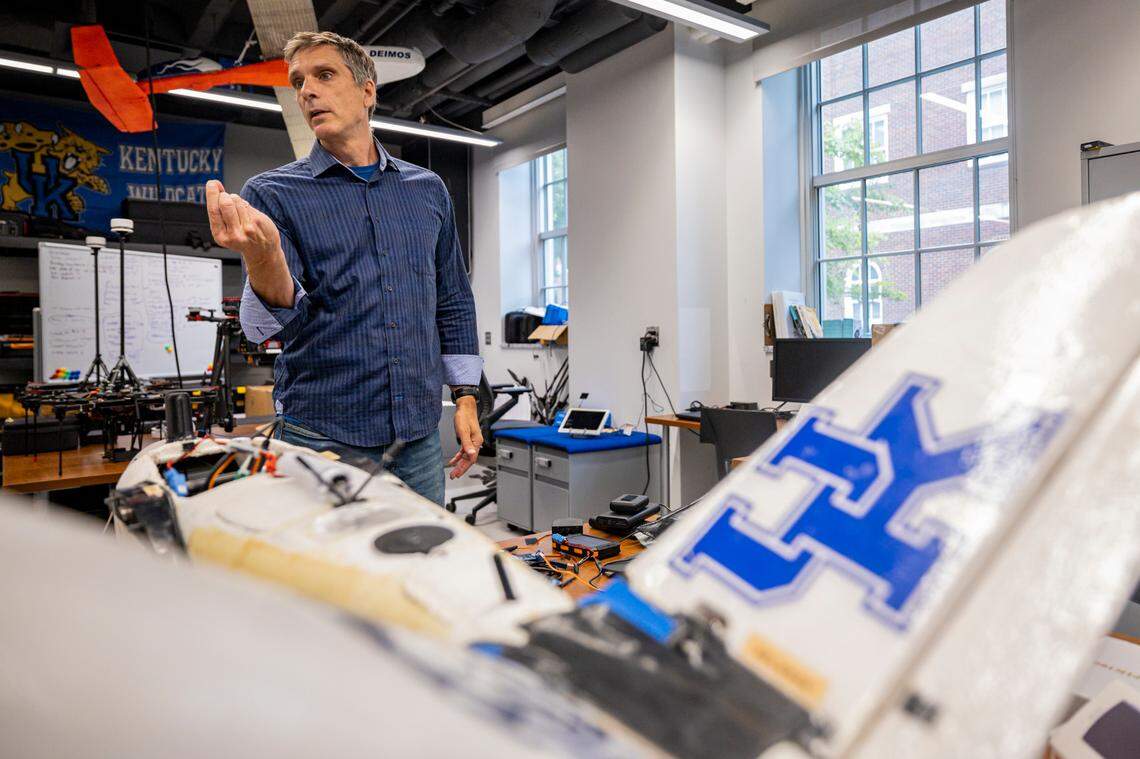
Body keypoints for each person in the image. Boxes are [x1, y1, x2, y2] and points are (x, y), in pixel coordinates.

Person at [204, 30, 482, 506]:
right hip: (322, 437)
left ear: (368, 90)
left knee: (418, 569)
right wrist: (264, 256)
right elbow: (259, 328)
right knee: (324, 579)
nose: (307, 91)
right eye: (298, 81)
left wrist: (465, 396)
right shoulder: (272, 194)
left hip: (416, 436)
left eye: (324, 75)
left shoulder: (428, 189)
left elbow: (453, 297)